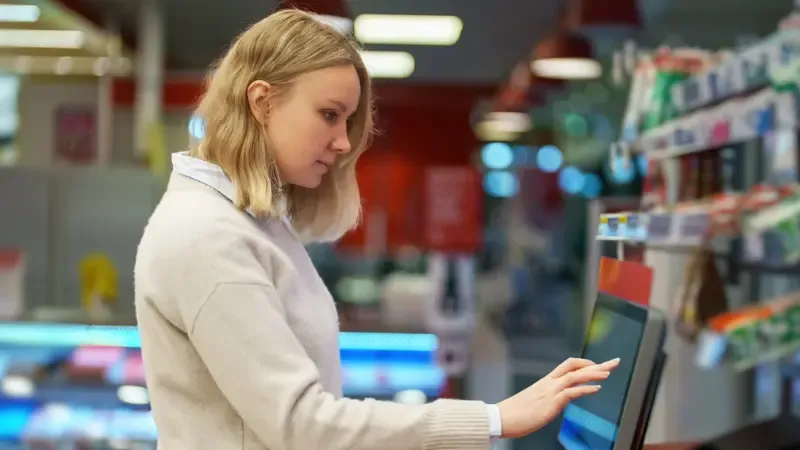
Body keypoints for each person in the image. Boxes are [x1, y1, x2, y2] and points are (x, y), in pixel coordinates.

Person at [134, 8, 620, 450]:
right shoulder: (208, 236)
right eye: (329, 115)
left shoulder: (248, 222)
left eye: (347, 120)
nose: (344, 142)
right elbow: (303, 423)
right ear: (261, 101)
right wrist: (494, 418)